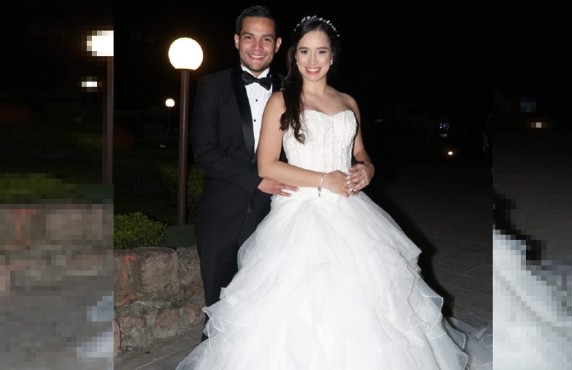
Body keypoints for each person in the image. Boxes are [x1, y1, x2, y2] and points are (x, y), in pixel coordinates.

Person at [178, 15, 492, 369]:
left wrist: (368, 168)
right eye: (305, 52)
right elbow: (267, 166)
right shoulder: (281, 101)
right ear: (293, 57)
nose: (313, 61)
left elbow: (359, 151)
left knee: (370, 303)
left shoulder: (348, 102)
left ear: (332, 57)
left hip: (352, 213)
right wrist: (323, 179)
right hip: (300, 213)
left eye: (321, 52)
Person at [190, 4, 297, 339]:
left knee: (268, 307)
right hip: (221, 213)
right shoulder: (212, 86)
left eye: (266, 39)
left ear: (278, 45)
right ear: (236, 40)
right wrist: (258, 179)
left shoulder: (294, 92)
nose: (257, 46)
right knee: (218, 307)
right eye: (249, 37)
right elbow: (204, 151)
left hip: (276, 216)